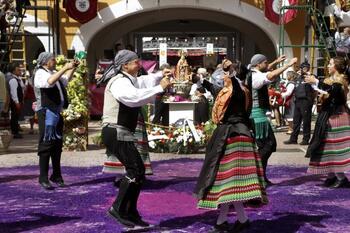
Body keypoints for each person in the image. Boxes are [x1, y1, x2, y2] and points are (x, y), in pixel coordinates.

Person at [99, 50, 171, 228]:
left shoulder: (129, 79)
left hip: (120, 131)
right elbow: (133, 98)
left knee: (138, 171)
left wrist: (162, 74)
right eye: (136, 62)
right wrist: (160, 87)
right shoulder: (119, 82)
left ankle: (130, 211)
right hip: (115, 131)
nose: (139, 65)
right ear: (125, 65)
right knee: (135, 170)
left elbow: (144, 81)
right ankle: (118, 208)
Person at [194, 58, 267, 233]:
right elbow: (214, 88)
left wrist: (230, 71)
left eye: (225, 73)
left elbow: (232, 87)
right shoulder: (230, 91)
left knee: (229, 182)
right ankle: (229, 221)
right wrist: (200, 80)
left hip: (235, 137)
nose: (223, 76)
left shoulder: (239, 90)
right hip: (234, 135)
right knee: (228, 182)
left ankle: (230, 222)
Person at [247, 54, 298, 184]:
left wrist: (275, 62)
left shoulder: (252, 72)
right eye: (265, 62)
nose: (267, 65)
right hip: (258, 117)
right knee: (268, 146)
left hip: (258, 115)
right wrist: (287, 65)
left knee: (266, 146)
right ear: (258, 64)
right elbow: (269, 75)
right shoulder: (256, 76)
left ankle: (260, 176)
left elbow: (266, 69)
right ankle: (257, 176)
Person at [34, 52, 78, 190]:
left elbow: (65, 80)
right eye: (52, 59)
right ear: (45, 62)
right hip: (46, 113)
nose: (55, 61)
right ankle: (43, 177)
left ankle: (56, 175)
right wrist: (65, 67)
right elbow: (50, 82)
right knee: (46, 143)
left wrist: (73, 68)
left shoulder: (52, 72)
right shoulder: (41, 73)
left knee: (57, 144)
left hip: (56, 112)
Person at [306, 56, 350, 188]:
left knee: (335, 147)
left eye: (330, 64)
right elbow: (327, 94)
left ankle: (341, 178)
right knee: (326, 146)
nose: (328, 66)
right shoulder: (329, 80)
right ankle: (331, 176)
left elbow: (335, 91)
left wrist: (316, 82)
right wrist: (320, 94)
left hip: (337, 116)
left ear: (336, 66)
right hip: (327, 115)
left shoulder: (342, 79)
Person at [284, 62, 315, 145]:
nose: (304, 69)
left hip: (306, 101)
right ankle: (293, 139)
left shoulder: (311, 77)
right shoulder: (298, 78)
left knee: (306, 121)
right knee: (296, 121)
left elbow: (315, 86)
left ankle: (305, 139)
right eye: (303, 68)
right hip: (297, 101)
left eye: (306, 68)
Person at [6, 62, 25, 138]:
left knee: (15, 116)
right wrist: (17, 103)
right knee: (14, 117)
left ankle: (15, 130)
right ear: (13, 71)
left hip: (14, 101)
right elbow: (14, 93)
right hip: (14, 102)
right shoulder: (13, 80)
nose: (20, 71)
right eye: (18, 70)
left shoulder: (14, 78)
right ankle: (15, 133)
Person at [281, 70, 298, 135]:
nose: (286, 76)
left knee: (290, 114)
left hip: (291, 100)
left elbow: (289, 93)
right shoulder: (290, 83)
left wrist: (281, 95)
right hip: (290, 100)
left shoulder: (291, 84)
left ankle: (291, 129)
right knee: (289, 114)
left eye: (287, 75)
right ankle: (291, 128)